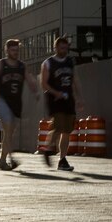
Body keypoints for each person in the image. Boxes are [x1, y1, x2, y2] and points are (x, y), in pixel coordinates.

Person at [0, 39, 39, 171]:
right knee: (8, 127)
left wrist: (35, 91)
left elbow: (30, 80)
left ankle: (2, 160)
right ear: (7, 50)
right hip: (1, 100)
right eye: (12, 50)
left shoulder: (22, 66)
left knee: (9, 133)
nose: (15, 52)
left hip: (15, 103)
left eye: (17, 50)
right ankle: (11, 158)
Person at [40, 36, 84, 171]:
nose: (64, 50)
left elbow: (75, 79)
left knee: (67, 130)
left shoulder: (70, 62)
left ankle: (62, 160)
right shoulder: (48, 63)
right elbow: (43, 83)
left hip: (68, 99)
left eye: (66, 48)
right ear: (56, 48)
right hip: (54, 99)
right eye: (61, 48)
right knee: (58, 127)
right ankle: (48, 149)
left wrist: (79, 97)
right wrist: (56, 93)